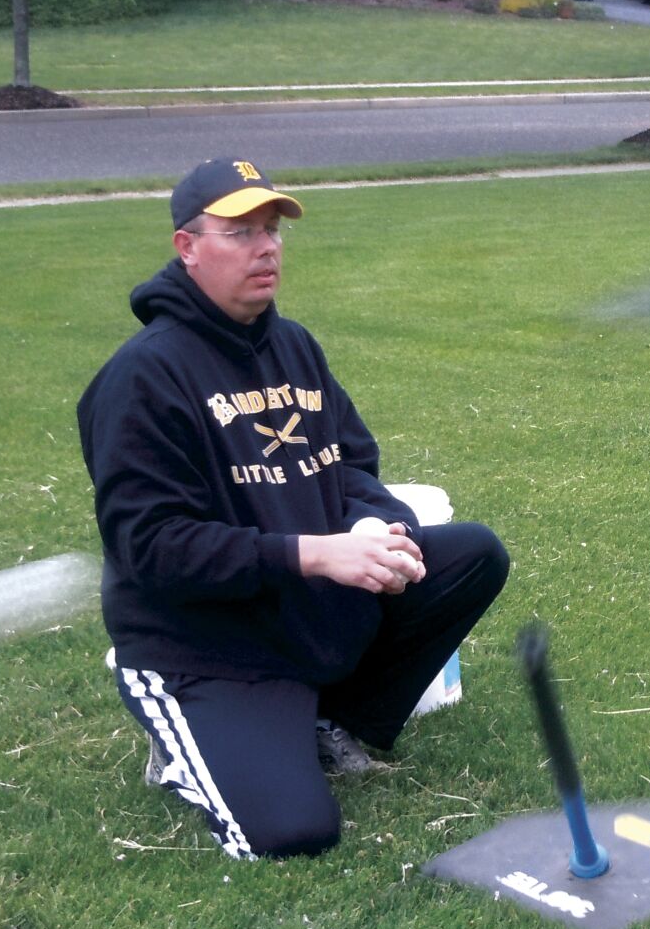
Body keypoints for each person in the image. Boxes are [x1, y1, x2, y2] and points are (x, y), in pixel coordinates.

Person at [77, 157, 509, 860]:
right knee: (292, 831)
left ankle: (324, 717)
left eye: (272, 229)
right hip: (205, 648)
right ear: (188, 247)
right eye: (240, 231)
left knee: (471, 554)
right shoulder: (143, 377)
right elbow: (152, 549)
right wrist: (315, 552)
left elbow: (354, 468)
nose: (267, 247)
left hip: (299, 615)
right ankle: (184, 745)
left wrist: (374, 523)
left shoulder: (295, 347)